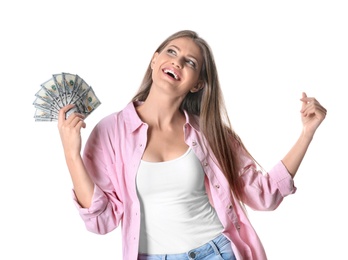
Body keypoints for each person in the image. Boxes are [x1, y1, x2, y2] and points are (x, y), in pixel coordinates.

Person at [58, 30, 327, 260]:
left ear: (197, 84)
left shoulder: (208, 133)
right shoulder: (110, 132)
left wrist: (306, 134)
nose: (177, 62)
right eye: (171, 52)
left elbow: (264, 196)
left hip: (216, 252)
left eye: (190, 62)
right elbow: (100, 221)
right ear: (155, 60)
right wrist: (72, 154)